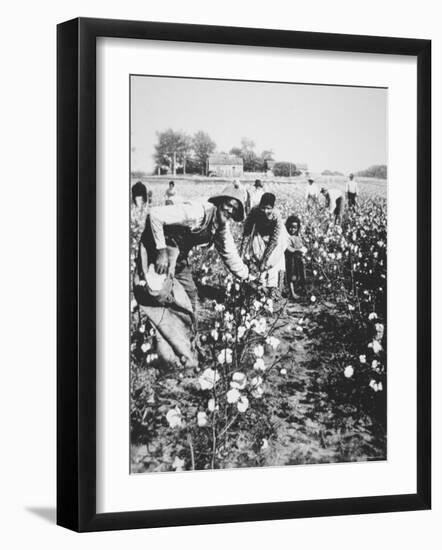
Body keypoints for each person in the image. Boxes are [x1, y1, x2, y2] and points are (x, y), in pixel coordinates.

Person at [133, 184, 250, 367]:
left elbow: (231, 256)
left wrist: (248, 277)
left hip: (178, 258)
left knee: (191, 297)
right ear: (220, 202)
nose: (230, 211)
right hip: (157, 249)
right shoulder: (198, 212)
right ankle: (153, 348)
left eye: (235, 210)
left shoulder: (220, 228)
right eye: (229, 204)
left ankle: (187, 348)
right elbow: (154, 215)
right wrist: (161, 251)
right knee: (158, 295)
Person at [241, 192, 287, 289]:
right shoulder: (254, 211)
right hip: (259, 234)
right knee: (253, 258)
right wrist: (242, 253)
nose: (265, 211)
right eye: (263, 208)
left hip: (274, 238)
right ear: (260, 205)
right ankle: (255, 284)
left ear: (273, 208)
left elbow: (274, 240)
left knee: (272, 262)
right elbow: (247, 232)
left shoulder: (276, 216)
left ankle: (273, 286)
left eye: (268, 208)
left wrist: (264, 261)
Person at [284, 215, 306, 299]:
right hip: (290, 259)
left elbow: (301, 245)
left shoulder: (298, 237)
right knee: (291, 275)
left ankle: (301, 289)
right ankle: (292, 292)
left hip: (298, 259)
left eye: (294, 228)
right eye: (290, 227)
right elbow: (288, 248)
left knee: (300, 274)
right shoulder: (287, 237)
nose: (292, 229)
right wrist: (296, 250)